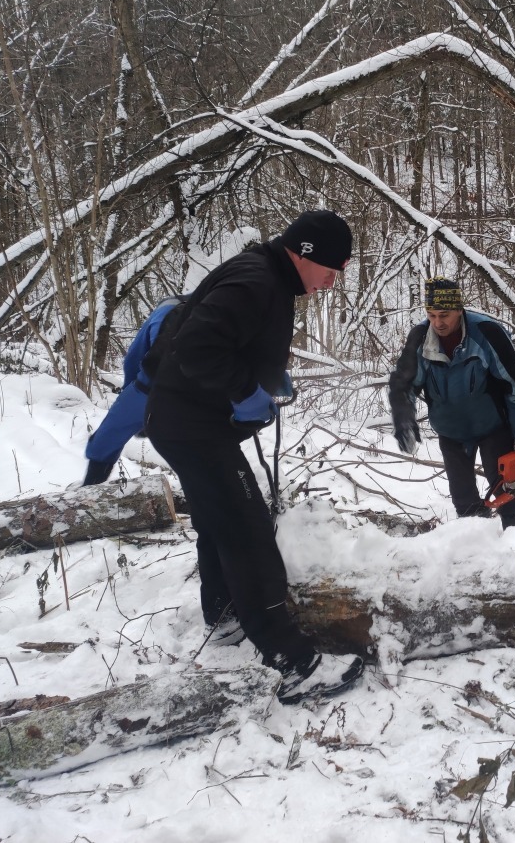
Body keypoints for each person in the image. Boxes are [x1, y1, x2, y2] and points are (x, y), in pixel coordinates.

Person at [144, 209, 363, 705]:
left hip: (185, 422)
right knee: (246, 529)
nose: (331, 282)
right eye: (332, 269)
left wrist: (261, 376)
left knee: (220, 518)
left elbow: (220, 339)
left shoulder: (265, 276)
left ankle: (224, 617)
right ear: (306, 254)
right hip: (193, 428)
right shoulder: (257, 281)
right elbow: (197, 348)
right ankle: (293, 663)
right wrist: (246, 390)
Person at [389, 278, 515, 528]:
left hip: (491, 426)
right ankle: (473, 547)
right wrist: (403, 417)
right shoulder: (421, 338)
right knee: (462, 496)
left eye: (444, 315)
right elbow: (403, 384)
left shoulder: (487, 333)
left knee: (505, 487)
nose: (438, 322)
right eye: (432, 315)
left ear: (459, 309)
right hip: (451, 432)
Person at [81, 294, 187, 486]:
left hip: (156, 384)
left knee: (108, 436)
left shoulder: (164, 311)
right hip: (210, 387)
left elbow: (133, 360)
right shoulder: (211, 308)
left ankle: (90, 490)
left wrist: (133, 398)